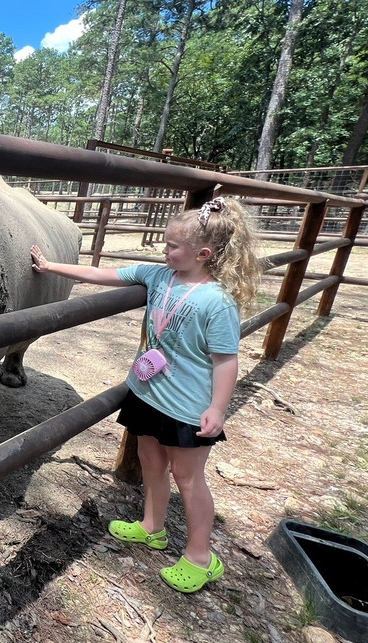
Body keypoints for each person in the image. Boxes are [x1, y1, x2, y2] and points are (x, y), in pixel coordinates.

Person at [30, 196, 261, 593]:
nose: (164, 251)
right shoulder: (159, 276)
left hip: (187, 408)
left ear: (203, 254)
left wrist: (218, 408)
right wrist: (51, 267)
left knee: (189, 478)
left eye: (173, 246)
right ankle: (152, 527)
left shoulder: (218, 302)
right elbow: (105, 274)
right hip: (148, 394)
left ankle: (201, 557)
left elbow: (226, 361)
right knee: (150, 460)